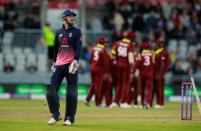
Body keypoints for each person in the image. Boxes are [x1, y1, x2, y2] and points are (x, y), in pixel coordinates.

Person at [46, 9, 82, 126]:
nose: (72, 18)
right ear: (63, 18)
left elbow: (79, 47)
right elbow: (57, 48)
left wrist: (76, 60)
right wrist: (54, 62)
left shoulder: (77, 32)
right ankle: (55, 115)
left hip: (71, 64)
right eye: (69, 16)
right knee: (51, 89)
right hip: (60, 65)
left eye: (73, 16)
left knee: (71, 91)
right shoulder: (58, 32)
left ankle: (69, 118)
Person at [110, 32, 135, 108]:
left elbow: (112, 54)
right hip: (126, 66)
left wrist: (117, 61)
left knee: (119, 83)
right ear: (130, 38)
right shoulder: (130, 45)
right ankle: (123, 102)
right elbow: (131, 59)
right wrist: (131, 68)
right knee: (125, 84)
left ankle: (115, 102)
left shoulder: (118, 43)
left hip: (119, 65)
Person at [84, 37, 109, 107]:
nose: (106, 44)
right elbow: (105, 63)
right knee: (98, 86)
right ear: (103, 43)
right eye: (105, 43)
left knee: (93, 84)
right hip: (99, 69)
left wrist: (92, 66)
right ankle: (98, 103)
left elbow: (90, 60)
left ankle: (87, 99)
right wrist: (106, 73)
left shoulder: (93, 49)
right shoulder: (103, 50)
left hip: (92, 68)